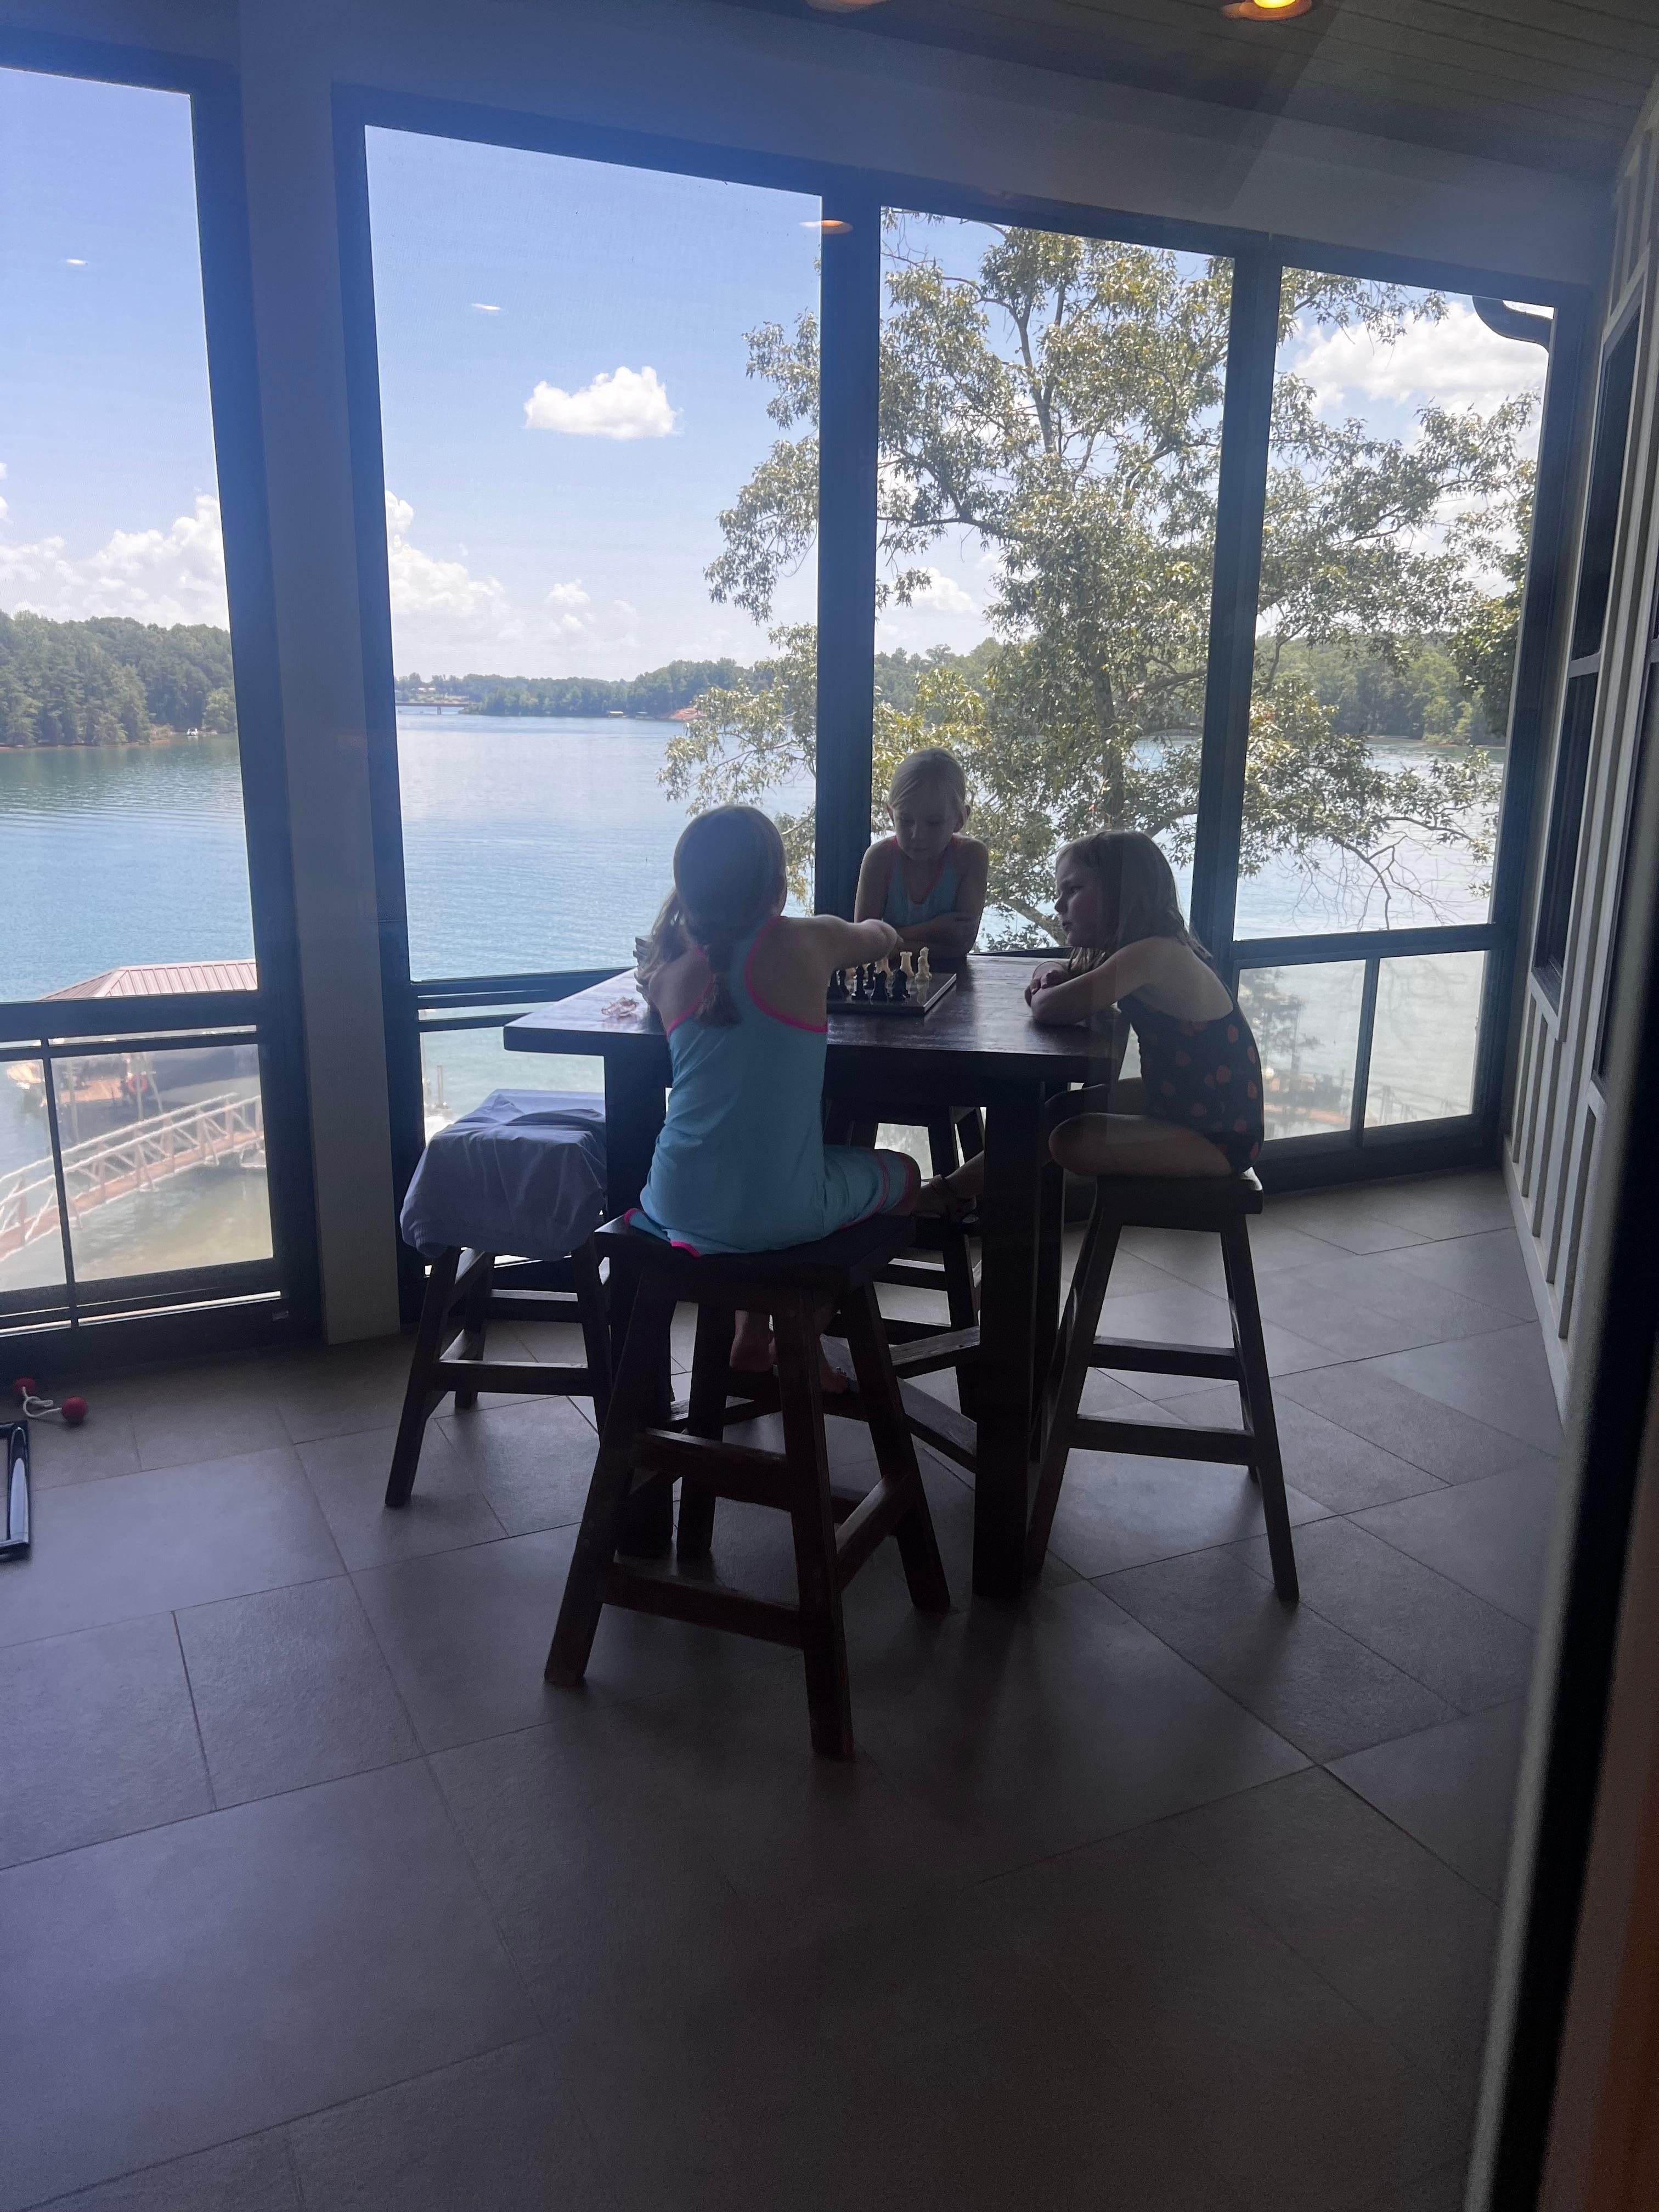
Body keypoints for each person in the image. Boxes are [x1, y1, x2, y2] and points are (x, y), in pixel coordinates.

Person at [633, 804, 918, 1379]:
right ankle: (799, 1336)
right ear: (780, 888)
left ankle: (749, 1330)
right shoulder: (806, 941)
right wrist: (884, 931)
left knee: (753, 1186)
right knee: (906, 1174)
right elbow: (878, 936)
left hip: (673, 1203)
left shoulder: (666, 977)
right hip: (783, 1213)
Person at [918, 830, 1263, 1212]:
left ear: (1121, 893)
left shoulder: (1153, 955)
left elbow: (1052, 1009)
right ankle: (951, 1193)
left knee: (1070, 1140)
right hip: (1179, 1102)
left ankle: (962, 1205)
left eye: (1073, 889)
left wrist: (1048, 991)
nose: (1057, 904)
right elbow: (1061, 970)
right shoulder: (1140, 950)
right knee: (1059, 1112)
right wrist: (1050, 975)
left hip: (1219, 1137)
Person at [854, 746, 989, 957]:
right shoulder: (879, 859)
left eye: (933, 823)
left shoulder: (971, 857)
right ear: (891, 815)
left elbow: (961, 946)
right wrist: (937, 928)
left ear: (960, 820)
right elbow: (864, 945)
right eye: (906, 820)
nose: (918, 835)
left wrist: (890, 942)